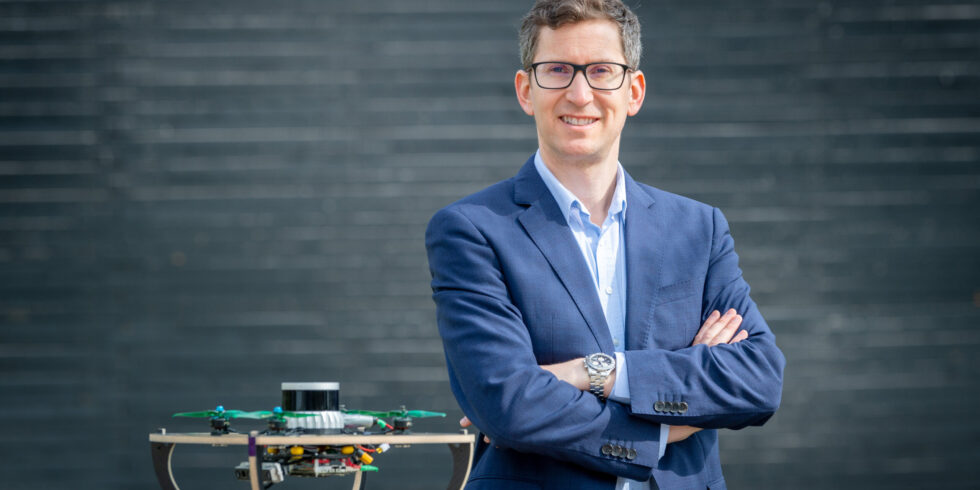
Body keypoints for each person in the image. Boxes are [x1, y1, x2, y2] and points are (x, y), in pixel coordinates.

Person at [424, 1, 785, 488]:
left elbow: (757, 379)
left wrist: (592, 372)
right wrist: (669, 425)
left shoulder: (698, 229)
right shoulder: (472, 230)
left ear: (633, 91)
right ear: (525, 91)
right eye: (556, 70)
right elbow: (507, 404)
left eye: (600, 71)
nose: (579, 93)